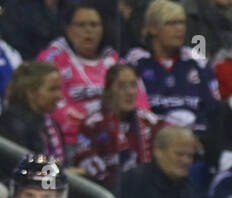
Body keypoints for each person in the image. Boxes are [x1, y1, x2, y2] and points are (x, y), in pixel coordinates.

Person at [38, 3, 149, 150]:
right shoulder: (52, 59)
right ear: (68, 29)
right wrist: (94, 126)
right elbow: (54, 107)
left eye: (94, 25)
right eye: (81, 25)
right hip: (73, 142)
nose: (88, 30)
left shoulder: (116, 62)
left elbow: (141, 104)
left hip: (120, 139)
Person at [127, 0, 220, 135]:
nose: (179, 28)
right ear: (152, 28)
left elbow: (213, 108)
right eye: (171, 23)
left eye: (182, 23)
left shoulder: (197, 61)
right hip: (151, 139)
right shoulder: (136, 63)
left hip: (195, 140)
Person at [72, 62, 167, 192]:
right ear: (109, 90)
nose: (129, 92)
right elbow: (86, 164)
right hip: (107, 196)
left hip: (148, 195)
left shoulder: (152, 122)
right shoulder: (92, 125)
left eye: (133, 85)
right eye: (122, 86)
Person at [0, 61, 67, 161]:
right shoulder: (11, 125)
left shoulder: (50, 122)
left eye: (59, 89)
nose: (60, 96)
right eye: (52, 89)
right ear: (31, 92)